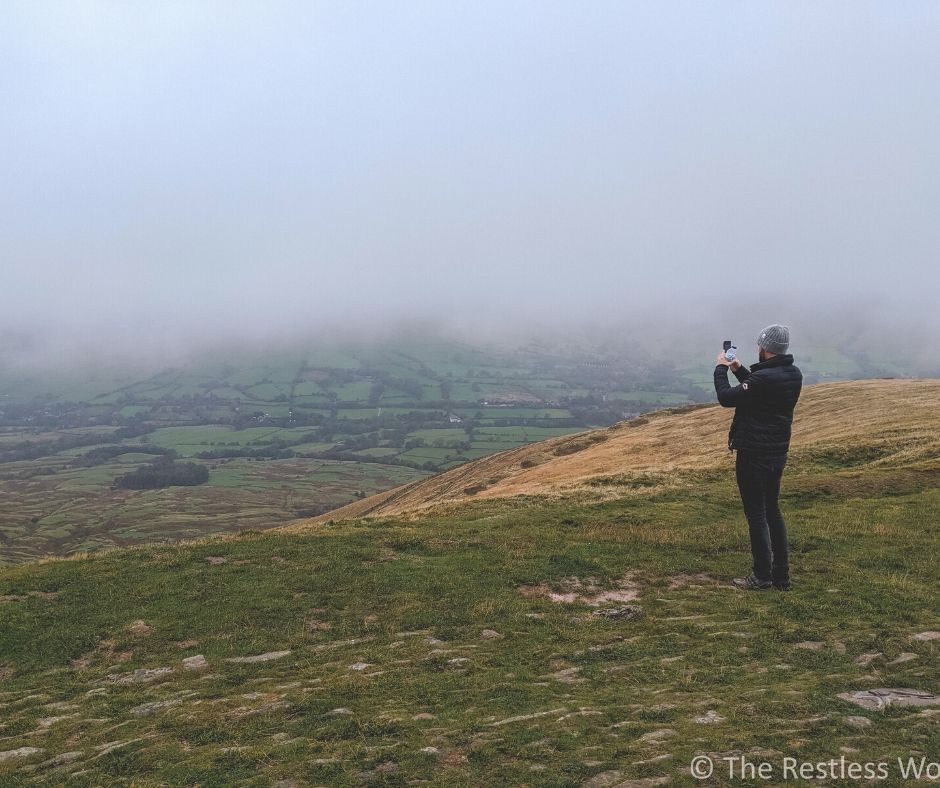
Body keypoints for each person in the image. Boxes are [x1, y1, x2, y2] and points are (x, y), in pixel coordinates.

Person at [714, 325, 803, 590]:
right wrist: (738, 369)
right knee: (772, 510)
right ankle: (781, 576)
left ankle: (761, 576)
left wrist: (721, 368)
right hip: (777, 451)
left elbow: (727, 397)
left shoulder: (763, 379)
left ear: (764, 349)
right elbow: (757, 388)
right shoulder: (792, 374)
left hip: (753, 453)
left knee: (756, 514)